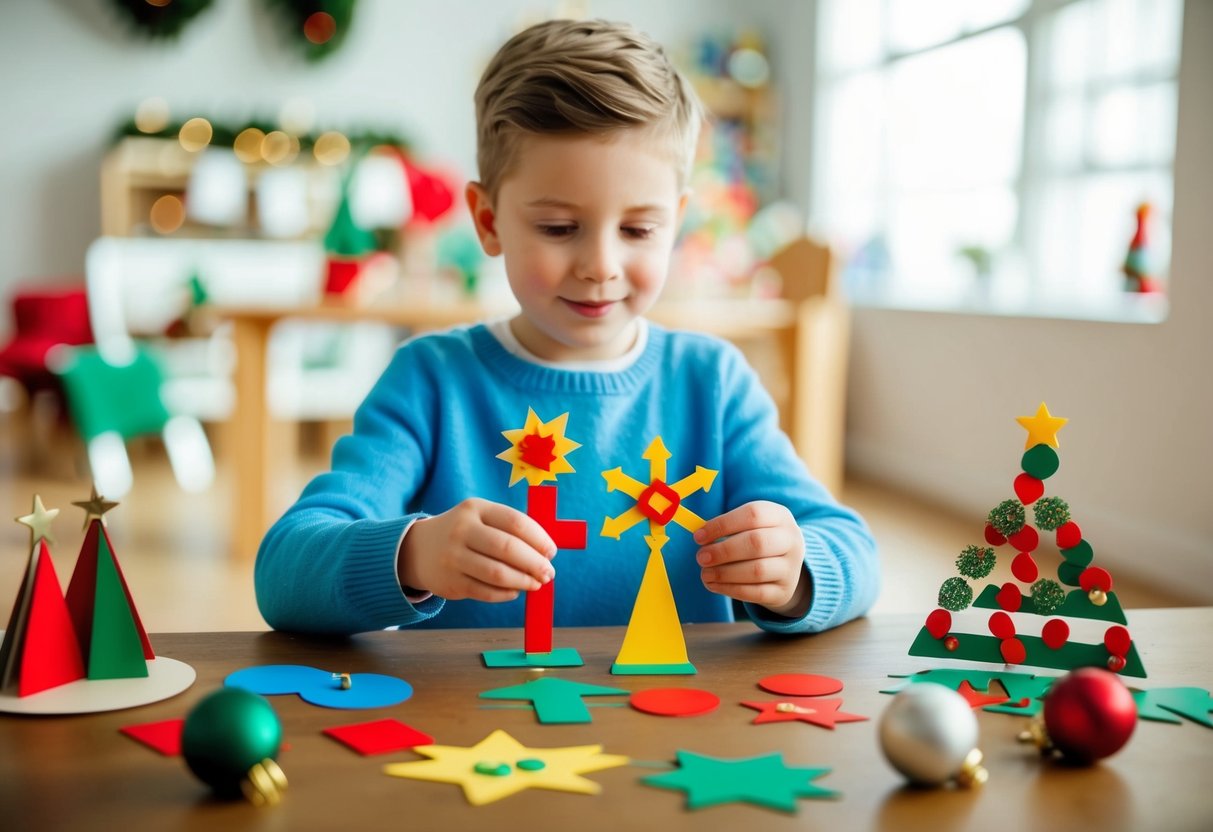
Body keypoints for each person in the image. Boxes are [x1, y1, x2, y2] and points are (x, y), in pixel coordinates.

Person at [255, 18, 879, 636]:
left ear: (677, 222)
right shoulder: (431, 381)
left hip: (673, 725)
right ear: (489, 220)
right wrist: (412, 553)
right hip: (467, 728)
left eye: (638, 230)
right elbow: (283, 571)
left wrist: (796, 571)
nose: (601, 266)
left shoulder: (712, 383)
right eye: (558, 227)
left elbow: (853, 550)